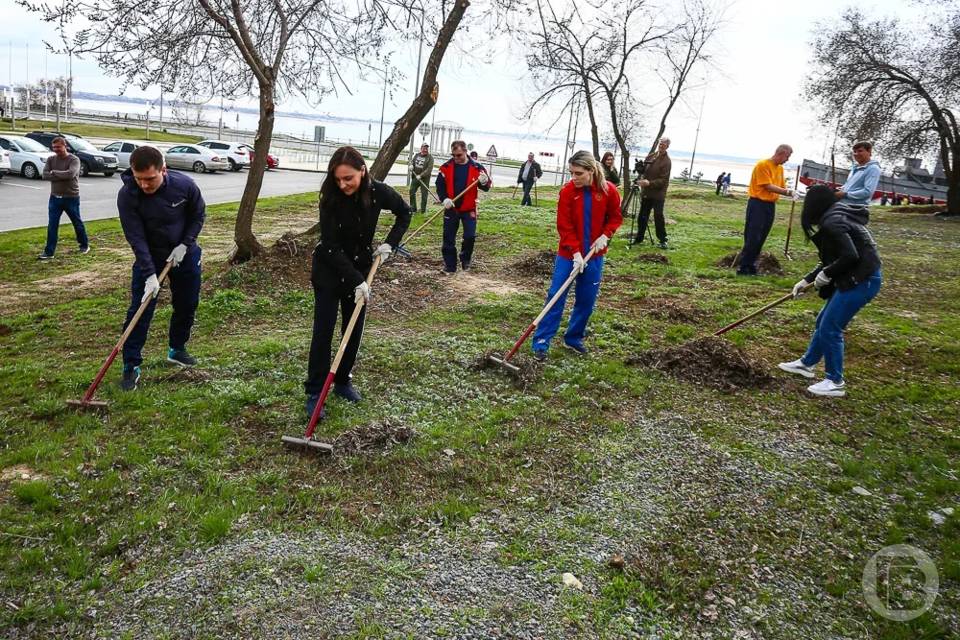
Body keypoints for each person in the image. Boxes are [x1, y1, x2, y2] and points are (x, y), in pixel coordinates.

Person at [306, 146, 411, 417]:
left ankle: (342, 381)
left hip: (361, 267)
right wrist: (356, 280)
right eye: (338, 179)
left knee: (352, 330)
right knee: (323, 330)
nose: (343, 184)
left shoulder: (377, 192)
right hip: (329, 271)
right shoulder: (329, 196)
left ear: (362, 171)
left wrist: (390, 244)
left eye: (348, 178)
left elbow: (404, 212)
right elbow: (329, 245)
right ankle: (315, 391)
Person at [778, 184, 882, 397]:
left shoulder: (833, 221)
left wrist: (826, 274)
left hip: (862, 280)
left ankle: (835, 381)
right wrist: (806, 279)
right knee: (823, 322)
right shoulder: (837, 215)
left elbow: (850, 256)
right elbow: (832, 257)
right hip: (857, 277)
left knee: (830, 327)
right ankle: (806, 364)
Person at [117, 145, 205, 391]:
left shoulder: (185, 185)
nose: (144, 185)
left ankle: (177, 349)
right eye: (138, 179)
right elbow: (135, 237)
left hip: (183, 253)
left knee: (187, 304)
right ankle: (130, 366)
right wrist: (148, 275)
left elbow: (198, 215)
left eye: (149, 179)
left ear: (163, 170)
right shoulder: (127, 196)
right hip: (150, 257)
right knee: (140, 309)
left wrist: (186, 245)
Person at [531, 150, 622, 361]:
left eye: (578, 173)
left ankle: (573, 337)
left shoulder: (608, 191)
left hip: (595, 255)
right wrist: (575, 252)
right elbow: (564, 225)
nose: (574, 177)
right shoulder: (567, 192)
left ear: (591, 171)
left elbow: (615, 217)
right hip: (568, 254)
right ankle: (542, 341)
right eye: (571, 172)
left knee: (586, 299)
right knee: (556, 294)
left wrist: (606, 235)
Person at [736, 144, 796, 275]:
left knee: (762, 236)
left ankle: (752, 265)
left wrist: (788, 192)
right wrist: (788, 192)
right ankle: (744, 266)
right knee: (753, 235)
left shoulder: (779, 169)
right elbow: (767, 186)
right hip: (757, 204)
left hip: (770, 205)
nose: (787, 160)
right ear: (781, 153)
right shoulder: (763, 165)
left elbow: (779, 187)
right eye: (787, 156)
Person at [436, 140, 491, 273]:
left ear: (466, 152)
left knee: (470, 236)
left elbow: (487, 187)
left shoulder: (477, 168)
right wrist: (444, 199)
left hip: (469, 209)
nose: (456, 158)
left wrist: (484, 181)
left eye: (459, 155)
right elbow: (440, 185)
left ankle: (465, 259)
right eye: (454, 155)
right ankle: (450, 266)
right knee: (448, 237)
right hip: (451, 208)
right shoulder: (446, 167)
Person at [38, 136, 89, 260]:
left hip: (71, 197)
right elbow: (44, 175)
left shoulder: (74, 159)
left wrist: (54, 173)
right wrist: (61, 175)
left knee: (77, 222)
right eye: (54, 147)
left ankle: (84, 245)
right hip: (55, 198)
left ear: (65, 146)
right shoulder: (51, 159)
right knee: (52, 225)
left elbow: (71, 174)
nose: (56, 149)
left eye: (58, 147)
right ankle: (49, 252)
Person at [636, 137, 673, 249]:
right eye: (660, 143)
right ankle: (639, 237)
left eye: (664, 144)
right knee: (642, 215)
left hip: (658, 194)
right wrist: (640, 169)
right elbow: (645, 171)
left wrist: (649, 183)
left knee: (658, 216)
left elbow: (663, 180)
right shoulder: (651, 156)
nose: (661, 146)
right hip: (647, 192)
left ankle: (663, 239)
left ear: (667, 146)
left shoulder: (667, 161)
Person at [834, 141, 880, 214]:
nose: (856, 154)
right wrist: (839, 189)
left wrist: (845, 194)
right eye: (855, 152)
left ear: (869, 152)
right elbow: (849, 186)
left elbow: (868, 192)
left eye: (860, 151)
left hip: (855, 207)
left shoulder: (873, 169)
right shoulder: (855, 168)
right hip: (843, 204)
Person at [408, 143, 434, 214]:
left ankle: (423, 210)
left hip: (424, 179)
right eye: (424, 148)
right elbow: (412, 162)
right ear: (421, 148)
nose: (425, 149)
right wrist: (411, 166)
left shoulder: (430, 158)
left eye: (426, 148)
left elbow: (429, 169)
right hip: (415, 177)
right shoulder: (417, 155)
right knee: (411, 191)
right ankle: (413, 208)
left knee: (424, 195)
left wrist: (421, 175)